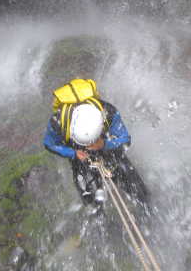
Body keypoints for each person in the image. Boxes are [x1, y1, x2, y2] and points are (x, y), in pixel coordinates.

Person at [43, 79, 148, 207]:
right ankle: (97, 213)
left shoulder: (108, 112)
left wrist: (105, 144)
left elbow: (125, 139)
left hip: (109, 152)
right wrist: (73, 153)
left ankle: (147, 207)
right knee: (92, 203)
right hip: (80, 159)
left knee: (140, 192)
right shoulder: (58, 122)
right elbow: (49, 144)